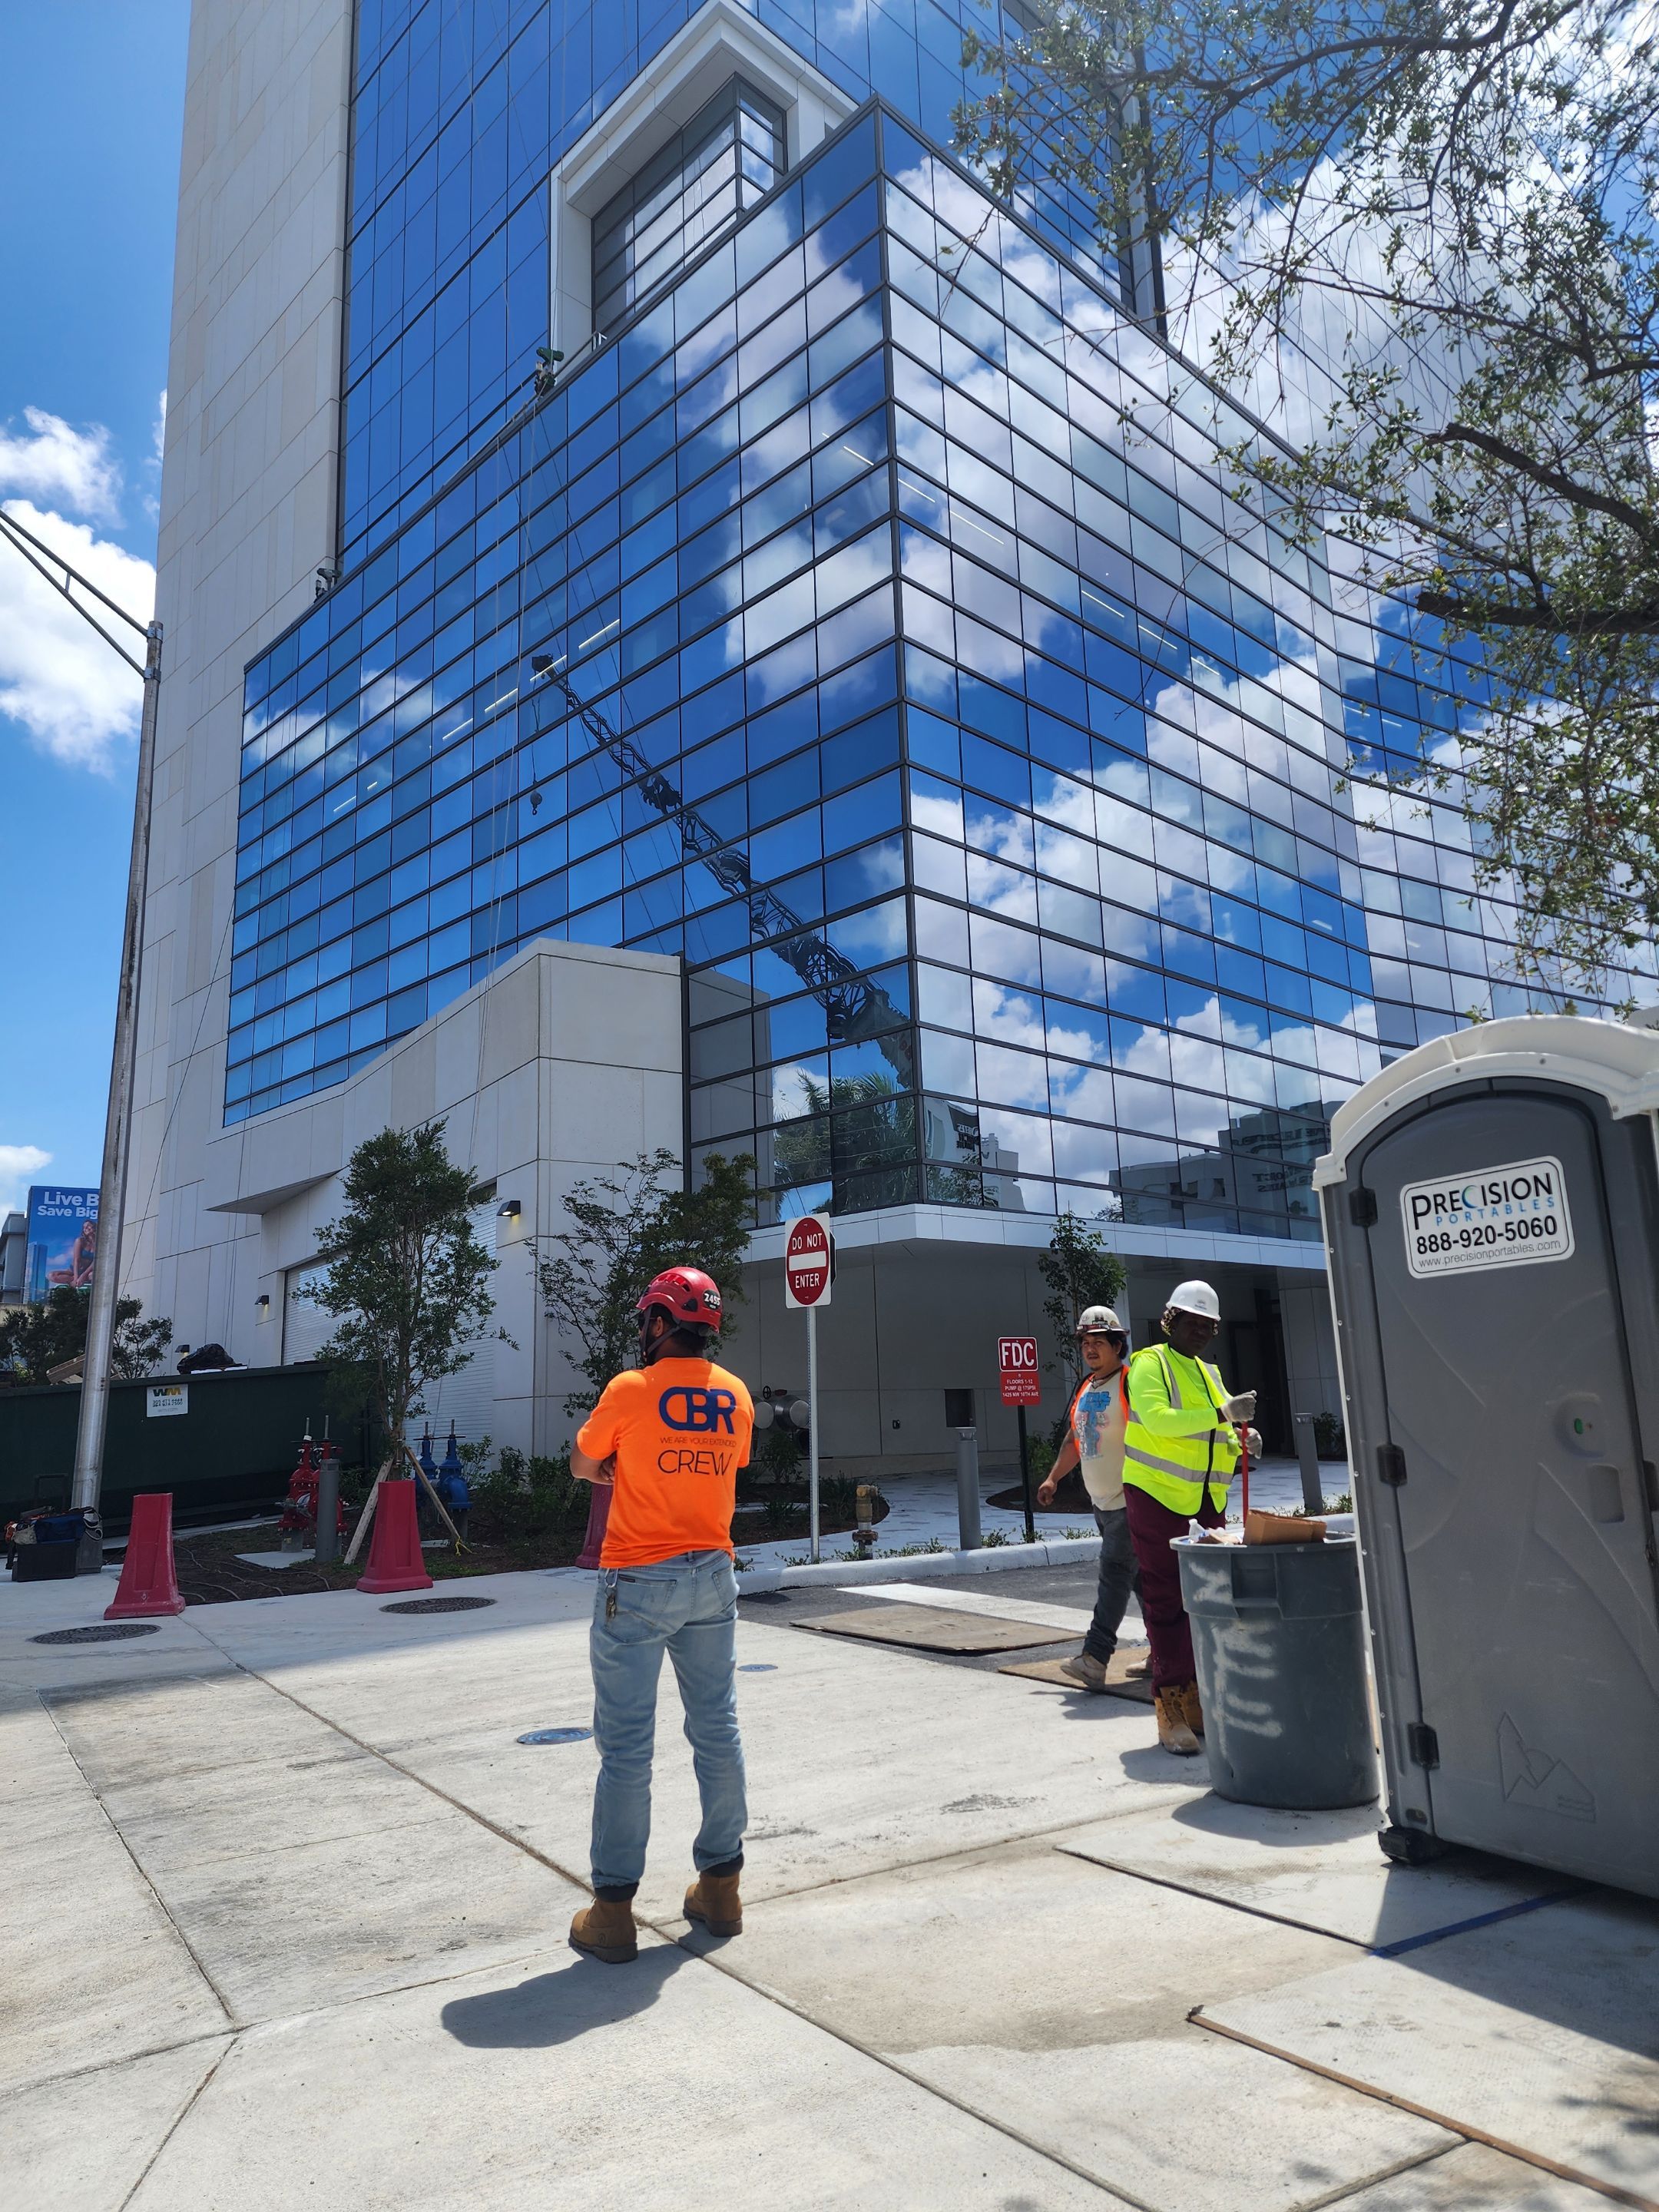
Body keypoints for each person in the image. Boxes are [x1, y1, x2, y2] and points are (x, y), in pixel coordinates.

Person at [566, 1264, 754, 1965]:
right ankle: (722, 1887)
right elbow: (727, 1464)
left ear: (658, 1323)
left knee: (626, 1748)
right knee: (717, 1728)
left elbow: (585, 1464)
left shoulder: (630, 1389)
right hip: (712, 1575)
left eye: (648, 1318)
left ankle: (614, 1911)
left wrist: (619, 1466)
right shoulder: (734, 1394)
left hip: (638, 1578)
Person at [1122, 1280, 1261, 1757]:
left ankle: (1197, 1694)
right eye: (1191, 1322)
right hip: (1158, 1497)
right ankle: (1170, 1701)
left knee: (1202, 1601)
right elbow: (1159, 1421)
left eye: (1209, 1326)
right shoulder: (1148, 1364)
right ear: (1170, 1321)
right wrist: (1223, 1411)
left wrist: (1241, 1439)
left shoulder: (1210, 1372)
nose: (1200, 1332)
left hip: (1206, 1502)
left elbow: (1214, 1431)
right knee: (1165, 1601)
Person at [1035, 1306, 1139, 1691]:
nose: (1090, 1349)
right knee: (1141, 1579)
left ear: (1118, 1345)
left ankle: (1095, 1658)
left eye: (1099, 1342)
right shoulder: (1088, 1387)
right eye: (1085, 1342)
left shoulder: (1130, 1384)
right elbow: (1075, 1440)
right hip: (1102, 1503)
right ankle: (1168, 1651)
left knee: (1113, 1575)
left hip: (1131, 1500)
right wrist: (1053, 1479)